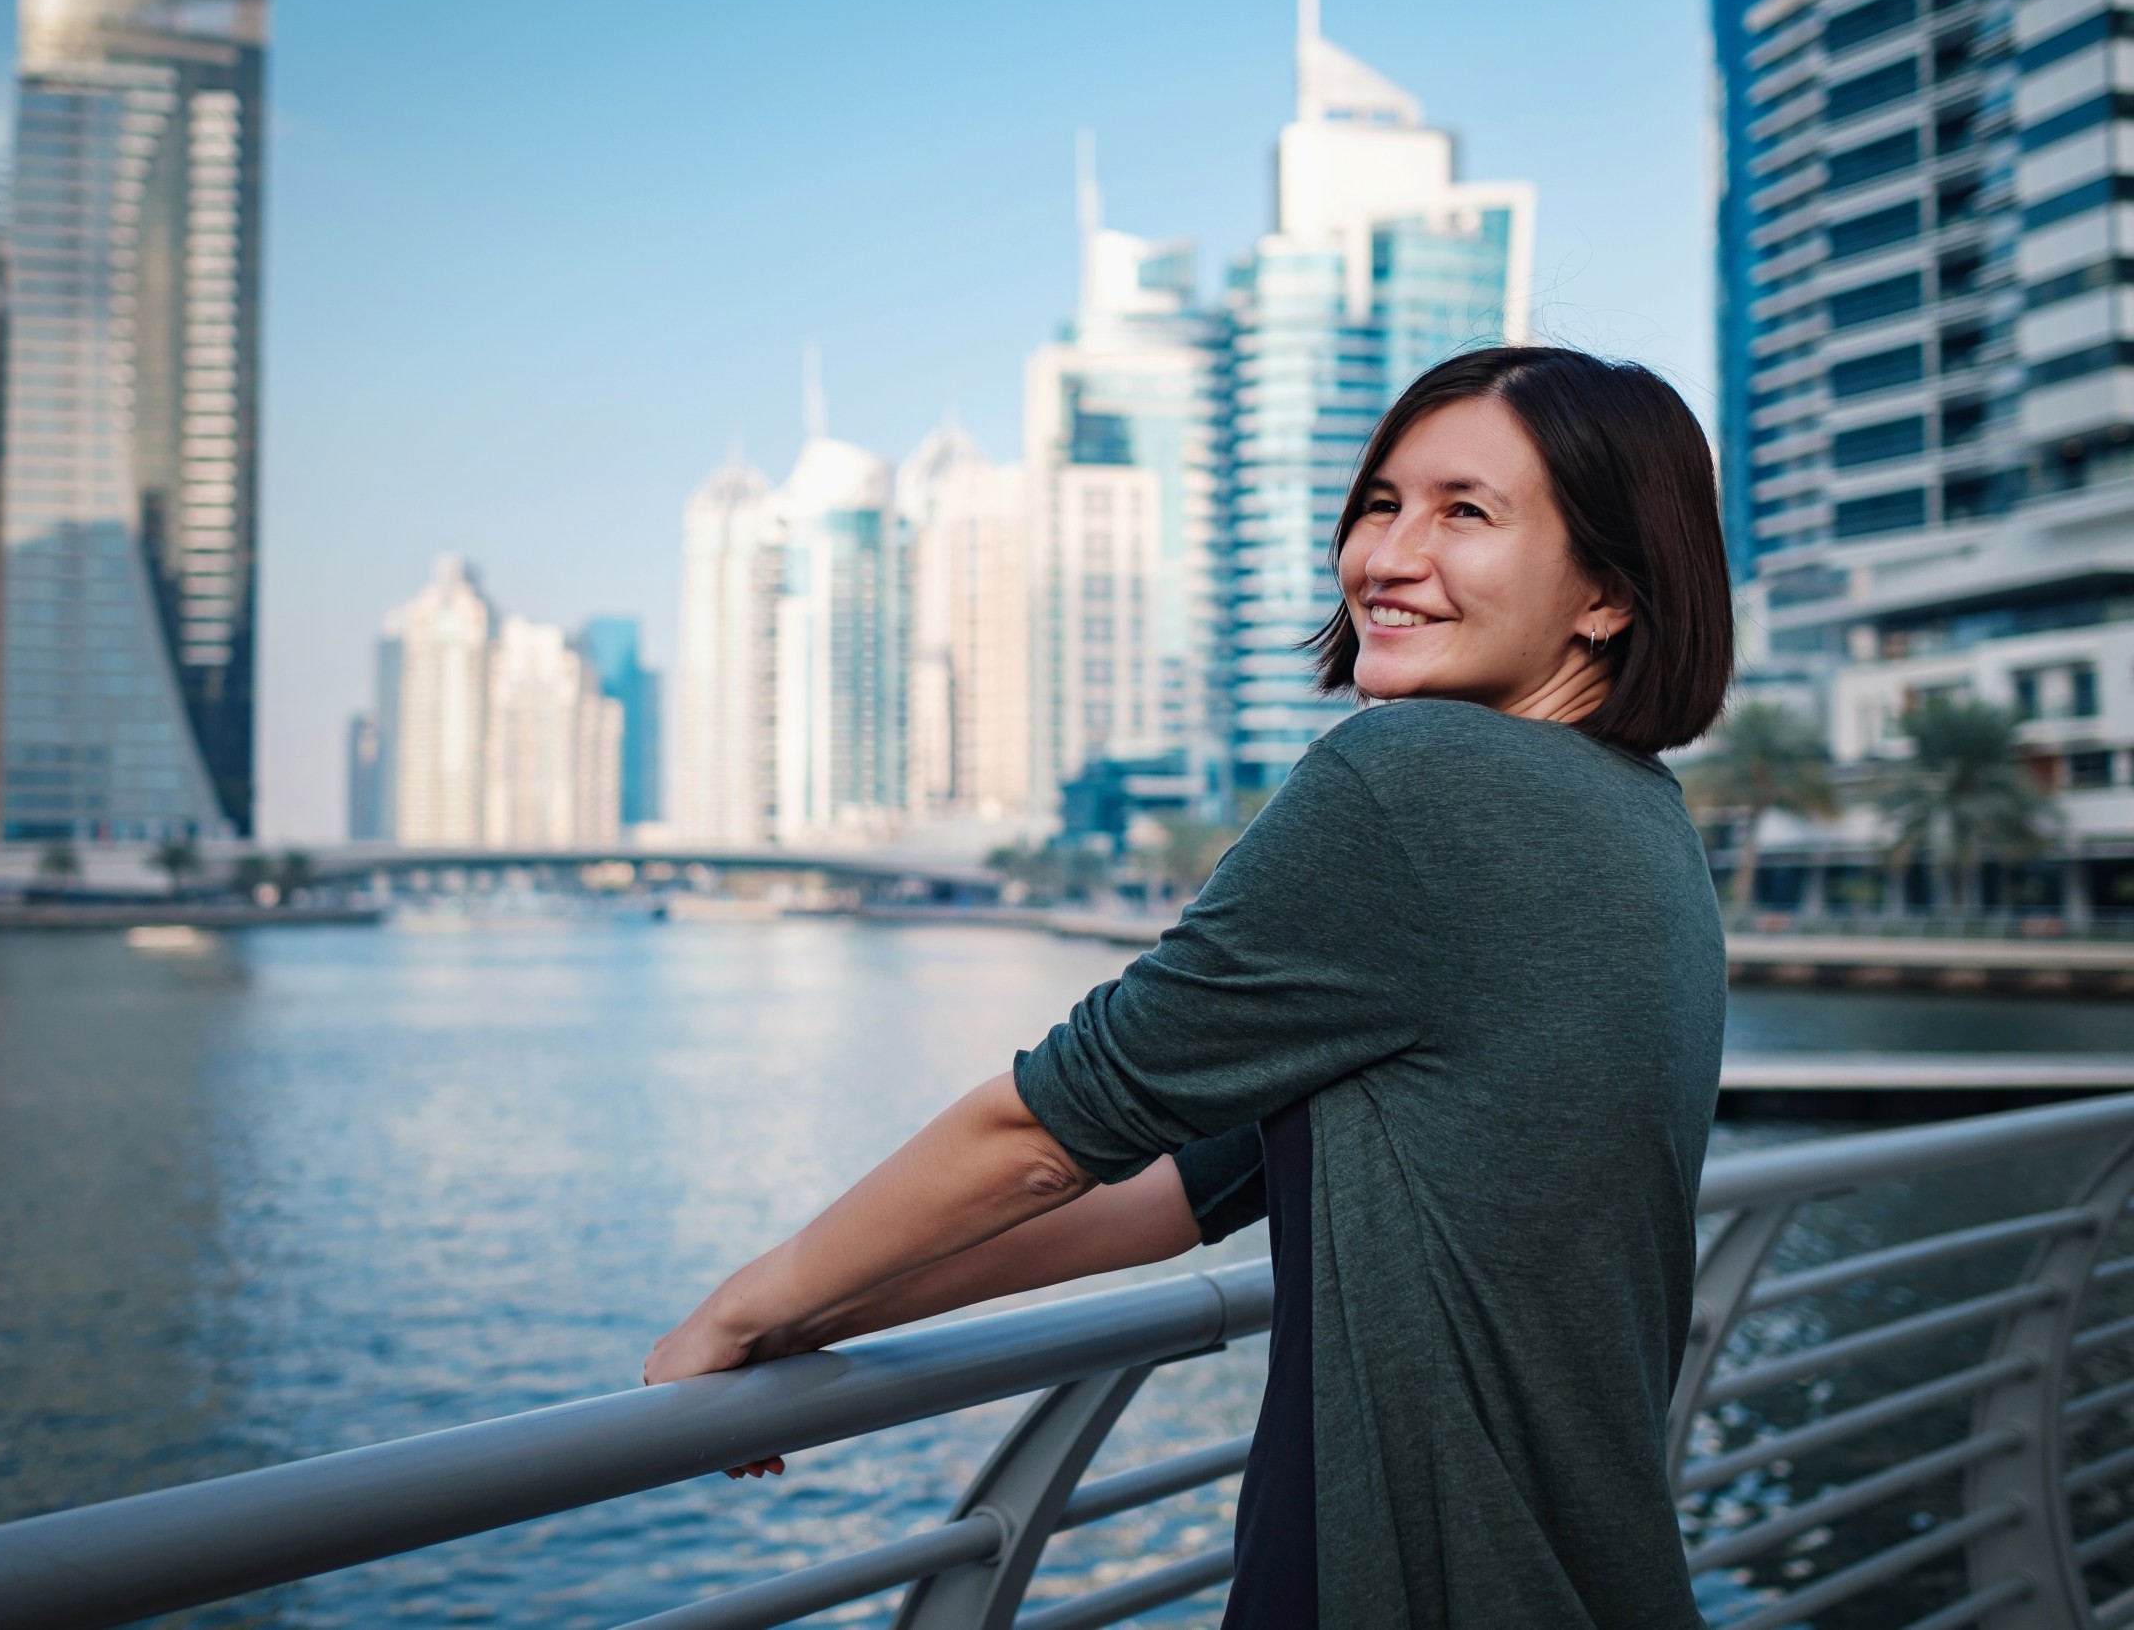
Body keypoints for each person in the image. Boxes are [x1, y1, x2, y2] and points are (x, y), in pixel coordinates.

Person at [644, 345, 1734, 1629]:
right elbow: (1169, 1189)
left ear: (1607, 590)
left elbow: (1052, 1130)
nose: (1386, 554)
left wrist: (736, 1306)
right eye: (1380, 502)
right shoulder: (1641, 823)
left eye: (1465, 511)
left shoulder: (1421, 779)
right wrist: (824, 1311)